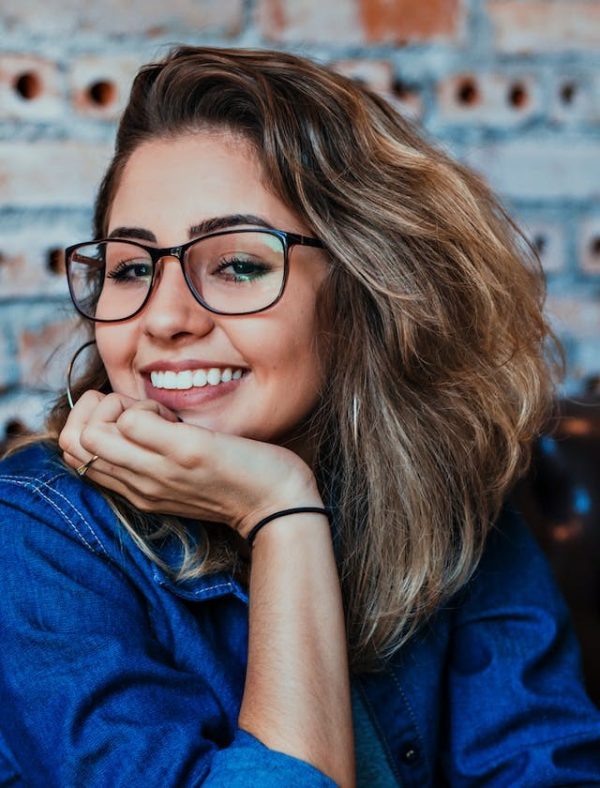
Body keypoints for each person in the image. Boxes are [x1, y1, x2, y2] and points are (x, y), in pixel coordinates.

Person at [0, 45, 599, 787]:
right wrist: (280, 511)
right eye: (131, 268)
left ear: (363, 292)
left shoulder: (448, 492)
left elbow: (543, 769)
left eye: (239, 263)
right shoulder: (38, 537)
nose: (163, 318)